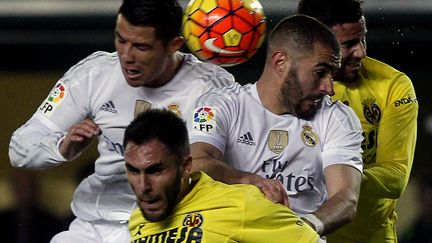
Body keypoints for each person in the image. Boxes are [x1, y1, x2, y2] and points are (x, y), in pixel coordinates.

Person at [8, 0, 234, 242]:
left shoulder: (211, 88)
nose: (126, 56)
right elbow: (19, 149)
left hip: (167, 226)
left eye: (141, 46)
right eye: (121, 40)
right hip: (92, 223)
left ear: (173, 45)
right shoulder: (93, 74)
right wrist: (62, 147)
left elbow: (219, 165)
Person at [188, 14, 363, 239]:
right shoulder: (219, 105)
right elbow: (197, 163)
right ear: (280, 62)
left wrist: (296, 230)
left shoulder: (337, 118)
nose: (329, 88)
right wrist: (249, 180)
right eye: (320, 73)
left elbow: (346, 198)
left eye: (331, 74)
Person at [297, 0, 419, 242]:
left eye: (362, 39)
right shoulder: (289, 87)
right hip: (304, 234)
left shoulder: (392, 85)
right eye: (348, 44)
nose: (361, 51)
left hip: (370, 237)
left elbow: (396, 176)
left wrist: (342, 174)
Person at [124, 108, 320, 242]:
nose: (143, 187)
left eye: (155, 171)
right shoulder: (138, 221)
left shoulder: (242, 204)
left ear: (186, 166)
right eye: (133, 170)